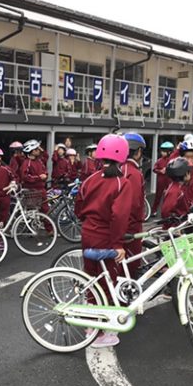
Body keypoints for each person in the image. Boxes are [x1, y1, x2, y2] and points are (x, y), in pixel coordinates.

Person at [74, 135, 132, 348]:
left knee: (92, 279)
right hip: (105, 236)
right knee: (107, 283)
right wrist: (118, 244)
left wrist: (86, 219)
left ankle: (91, 325)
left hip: (87, 232)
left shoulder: (90, 179)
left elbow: (78, 205)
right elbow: (119, 216)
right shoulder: (122, 183)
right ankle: (99, 333)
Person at [123, 133, 147, 274]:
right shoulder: (134, 173)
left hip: (114, 225)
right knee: (131, 267)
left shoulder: (118, 168)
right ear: (138, 151)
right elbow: (134, 204)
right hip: (130, 227)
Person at [160, 157, 193, 225]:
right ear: (185, 174)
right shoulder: (175, 191)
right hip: (176, 227)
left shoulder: (179, 187)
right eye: (189, 172)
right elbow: (165, 212)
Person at [152, 141, 174, 215]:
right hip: (161, 180)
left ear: (169, 152)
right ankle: (154, 210)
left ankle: (166, 211)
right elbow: (154, 169)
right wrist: (160, 171)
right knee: (158, 196)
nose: (162, 153)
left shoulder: (172, 160)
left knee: (168, 196)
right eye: (162, 151)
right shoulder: (159, 160)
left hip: (169, 180)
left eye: (164, 151)